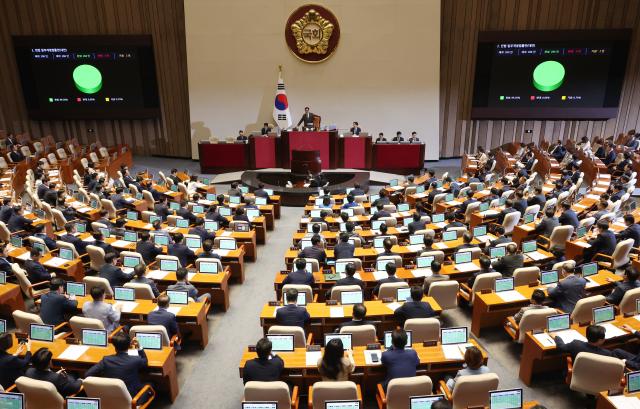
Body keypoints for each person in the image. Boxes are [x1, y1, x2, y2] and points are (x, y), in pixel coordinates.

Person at [85, 333, 152, 404]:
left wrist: (102, 383)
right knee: (151, 384)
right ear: (129, 345)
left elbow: (88, 374)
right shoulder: (135, 360)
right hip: (132, 399)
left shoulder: (106, 360)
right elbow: (145, 362)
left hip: (109, 397)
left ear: (114, 346)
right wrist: (139, 348)